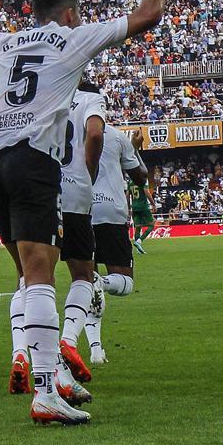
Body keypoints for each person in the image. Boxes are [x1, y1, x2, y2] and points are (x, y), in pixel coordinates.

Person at [0, 0, 166, 425]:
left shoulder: (4, 42)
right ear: (69, 15)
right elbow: (147, 15)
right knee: (44, 274)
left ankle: (55, 377)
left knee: (26, 275)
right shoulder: (71, 39)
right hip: (31, 162)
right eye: (79, 14)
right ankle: (46, 391)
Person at [55, 80, 107, 395]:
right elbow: (96, 133)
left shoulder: (46, 92)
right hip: (75, 195)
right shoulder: (89, 99)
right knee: (83, 276)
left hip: (41, 193)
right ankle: (69, 339)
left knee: (33, 281)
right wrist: (89, 167)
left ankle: (24, 357)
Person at [88, 124, 149, 364]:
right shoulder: (115, 135)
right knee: (125, 281)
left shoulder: (66, 129)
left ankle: (95, 350)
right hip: (110, 212)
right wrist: (135, 149)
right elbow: (141, 176)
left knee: (84, 285)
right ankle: (101, 281)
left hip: (79, 210)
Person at [130, 176, 155, 254]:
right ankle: (139, 241)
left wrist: (128, 207)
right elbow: (146, 191)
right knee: (152, 224)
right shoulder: (143, 181)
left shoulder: (130, 183)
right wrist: (153, 203)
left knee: (138, 227)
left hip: (134, 207)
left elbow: (127, 195)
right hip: (143, 206)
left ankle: (138, 250)